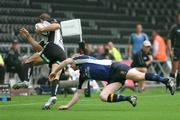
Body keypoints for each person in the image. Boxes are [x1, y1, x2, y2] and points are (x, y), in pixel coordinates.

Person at [48, 55, 175, 110]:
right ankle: (129, 98)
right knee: (103, 96)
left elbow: (65, 61)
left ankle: (166, 80)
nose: (71, 66)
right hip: (112, 79)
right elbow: (78, 93)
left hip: (114, 68)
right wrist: (68, 106)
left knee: (138, 77)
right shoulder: (83, 76)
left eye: (71, 65)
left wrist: (55, 72)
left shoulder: (81, 59)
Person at [19, 13, 66, 109]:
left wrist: (42, 29)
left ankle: (26, 81)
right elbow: (39, 48)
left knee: (28, 61)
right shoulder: (47, 38)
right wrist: (28, 36)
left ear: (42, 21)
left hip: (53, 48)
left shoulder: (50, 22)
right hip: (62, 54)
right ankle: (53, 97)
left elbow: (57, 25)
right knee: (54, 76)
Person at [167, 13, 180, 91]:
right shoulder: (174, 28)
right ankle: (170, 86)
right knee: (174, 69)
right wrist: (170, 50)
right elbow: (169, 39)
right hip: (176, 49)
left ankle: (178, 86)